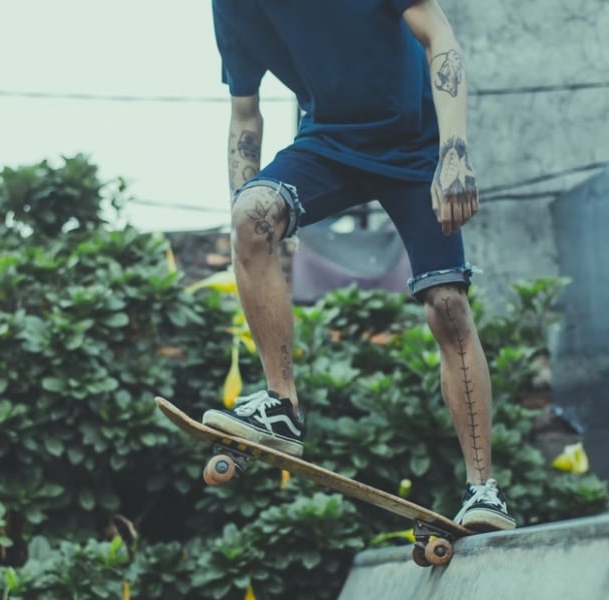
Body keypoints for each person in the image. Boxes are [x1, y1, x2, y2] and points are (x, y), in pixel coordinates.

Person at [202, 0, 516, 531]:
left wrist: (454, 151)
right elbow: (244, 111)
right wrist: (244, 233)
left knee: (447, 305)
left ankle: (482, 489)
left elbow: (438, 34)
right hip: (328, 145)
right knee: (251, 215)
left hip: (416, 146)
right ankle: (282, 405)